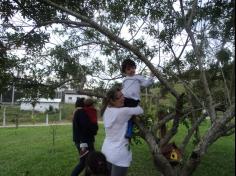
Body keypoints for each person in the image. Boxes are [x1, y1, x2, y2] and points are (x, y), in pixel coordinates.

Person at [101, 86, 144, 176]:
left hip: (106, 151)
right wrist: (129, 102)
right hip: (119, 154)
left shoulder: (106, 110)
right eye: (119, 97)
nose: (123, 98)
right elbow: (140, 110)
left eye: (122, 95)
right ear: (112, 101)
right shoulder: (122, 112)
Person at [121, 58, 154, 139]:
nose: (131, 70)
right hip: (124, 99)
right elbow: (124, 89)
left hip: (133, 100)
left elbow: (146, 84)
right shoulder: (124, 79)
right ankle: (122, 129)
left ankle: (129, 130)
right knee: (122, 114)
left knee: (129, 116)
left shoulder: (138, 77)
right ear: (125, 71)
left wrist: (151, 77)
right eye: (128, 69)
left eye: (133, 68)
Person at [71, 97, 98, 176]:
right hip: (84, 142)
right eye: (85, 102)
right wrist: (95, 129)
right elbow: (87, 127)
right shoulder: (81, 112)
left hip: (81, 141)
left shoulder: (77, 112)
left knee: (89, 162)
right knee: (84, 162)